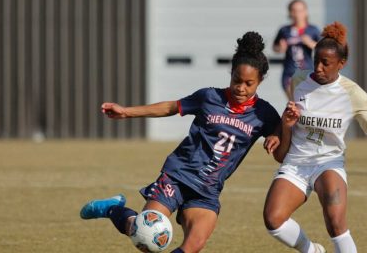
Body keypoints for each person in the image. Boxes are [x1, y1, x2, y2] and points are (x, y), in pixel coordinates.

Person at [79, 32, 283, 253]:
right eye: (236, 80)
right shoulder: (209, 97)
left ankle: (116, 211)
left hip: (208, 190)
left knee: (194, 245)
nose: (241, 88)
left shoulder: (264, 113)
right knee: (144, 236)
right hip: (178, 176)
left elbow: (283, 132)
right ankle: (112, 209)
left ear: (260, 81)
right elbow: (171, 107)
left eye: (249, 83)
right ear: (230, 74)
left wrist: (278, 134)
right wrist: (126, 112)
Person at [263, 22, 367, 253]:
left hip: (328, 163)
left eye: (326, 63)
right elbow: (290, 111)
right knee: (273, 220)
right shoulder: (299, 80)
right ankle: (312, 250)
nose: (319, 68)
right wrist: (276, 132)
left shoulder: (352, 93)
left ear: (341, 64)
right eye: (316, 61)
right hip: (296, 162)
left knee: (335, 223)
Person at [274, 0, 321, 99]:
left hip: (308, 73)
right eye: (294, 11)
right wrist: (280, 48)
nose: (297, 14)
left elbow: (323, 48)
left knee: (306, 104)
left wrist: (311, 43)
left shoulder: (313, 30)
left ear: (305, 12)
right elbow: (275, 47)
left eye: (300, 11)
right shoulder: (284, 30)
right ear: (290, 13)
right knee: (295, 103)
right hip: (289, 73)